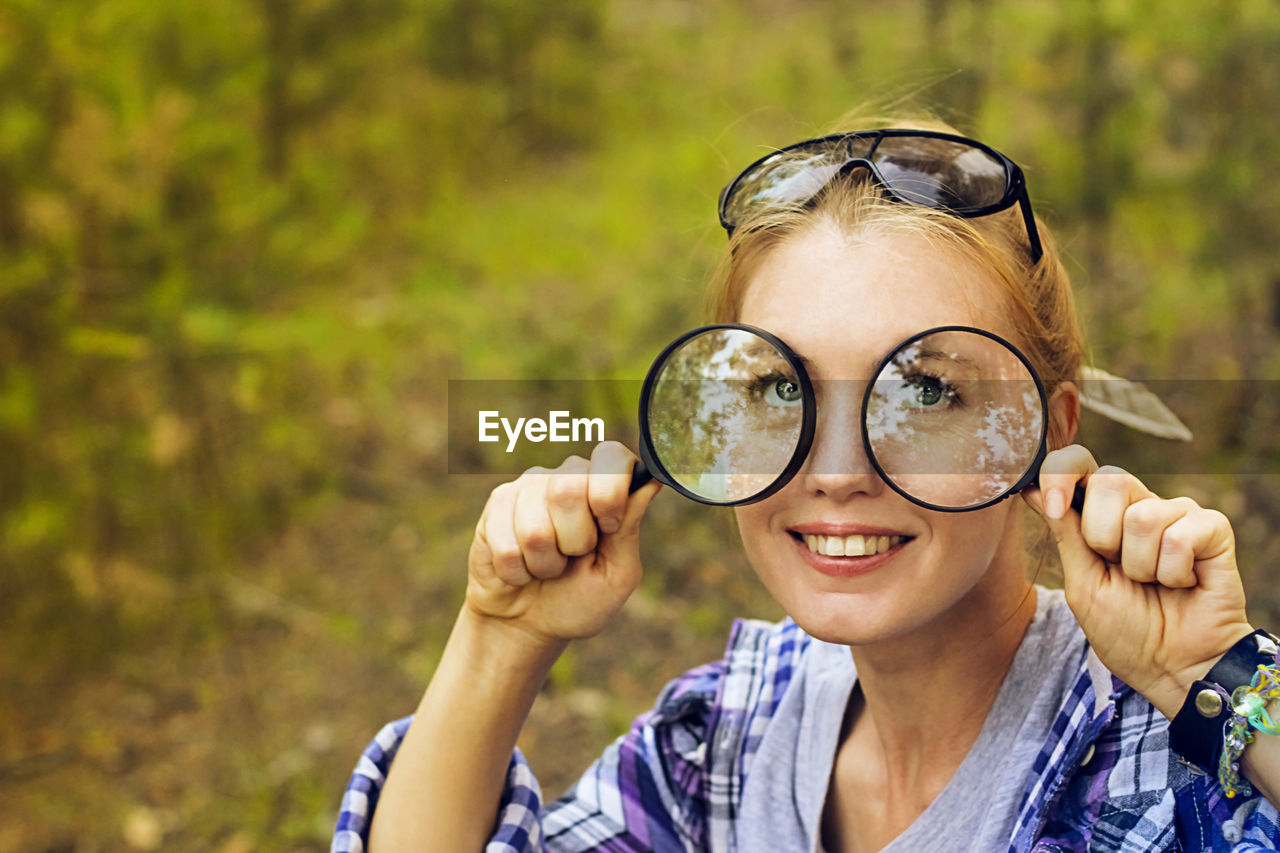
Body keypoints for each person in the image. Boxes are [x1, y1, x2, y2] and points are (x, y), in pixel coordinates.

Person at [331, 116, 1280, 852]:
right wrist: (500, 639)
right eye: (780, 389)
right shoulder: (724, 744)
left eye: (926, 391)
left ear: (1044, 431)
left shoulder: (1165, 751)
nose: (834, 471)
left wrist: (1228, 680)